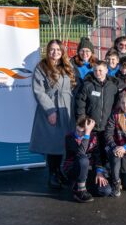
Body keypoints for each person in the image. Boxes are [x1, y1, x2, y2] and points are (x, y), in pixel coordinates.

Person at [30, 40, 75, 190]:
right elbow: (39, 91)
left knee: (63, 143)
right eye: (52, 49)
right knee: (53, 143)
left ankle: (59, 171)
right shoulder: (41, 67)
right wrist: (50, 111)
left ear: (62, 52)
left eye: (58, 50)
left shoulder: (67, 67)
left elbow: (74, 85)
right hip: (52, 108)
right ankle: (52, 174)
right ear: (47, 51)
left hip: (66, 108)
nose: (55, 52)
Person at [75, 61, 119, 158]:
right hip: (91, 126)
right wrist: (83, 122)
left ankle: (103, 171)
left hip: (106, 126)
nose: (98, 72)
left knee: (105, 151)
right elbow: (80, 105)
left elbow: (116, 105)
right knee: (92, 151)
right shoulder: (87, 85)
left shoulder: (113, 86)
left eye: (100, 70)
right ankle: (93, 171)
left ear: (106, 71)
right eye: (95, 70)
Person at [62, 116, 100, 203]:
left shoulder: (94, 137)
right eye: (77, 130)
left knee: (104, 190)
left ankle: (80, 187)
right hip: (73, 168)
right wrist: (86, 134)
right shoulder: (69, 137)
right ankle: (81, 190)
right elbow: (80, 154)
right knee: (83, 159)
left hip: (88, 169)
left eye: (82, 131)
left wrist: (99, 171)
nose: (79, 134)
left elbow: (97, 155)